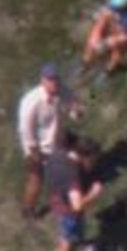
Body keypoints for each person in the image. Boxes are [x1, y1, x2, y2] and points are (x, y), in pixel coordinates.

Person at [16, 63, 81, 220]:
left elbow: (74, 109)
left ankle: (70, 187)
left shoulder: (64, 92)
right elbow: (27, 133)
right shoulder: (31, 103)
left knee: (77, 155)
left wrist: (77, 112)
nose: (54, 83)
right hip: (37, 149)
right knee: (36, 179)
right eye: (50, 80)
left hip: (58, 140)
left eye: (56, 79)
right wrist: (37, 156)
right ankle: (28, 209)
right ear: (42, 81)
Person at [45, 136, 104, 251]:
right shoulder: (73, 175)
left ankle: (73, 243)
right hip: (68, 212)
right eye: (93, 158)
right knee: (68, 240)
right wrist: (93, 193)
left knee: (71, 234)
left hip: (56, 197)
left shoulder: (59, 153)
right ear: (85, 156)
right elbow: (77, 205)